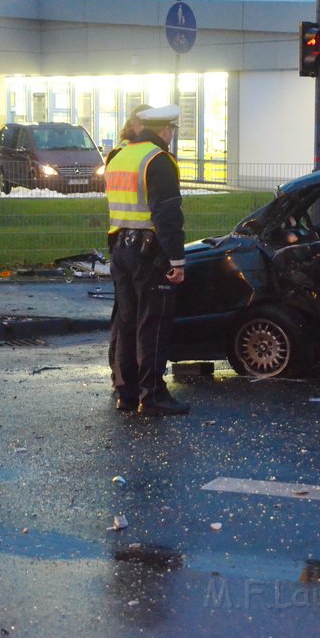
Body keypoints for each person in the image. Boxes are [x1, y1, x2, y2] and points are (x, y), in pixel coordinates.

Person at [106, 104, 190, 415]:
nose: (171, 134)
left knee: (126, 324)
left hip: (120, 247)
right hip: (149, 252)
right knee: (152, 324)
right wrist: (177, 261)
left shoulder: (119, 156)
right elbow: (166, 214)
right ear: (165, 130)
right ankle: (152, 395)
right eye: (171, 129)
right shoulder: (158, 160)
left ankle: (126, 394)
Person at [107, 103, 151, 389]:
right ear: (136, 126)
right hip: (138, 243)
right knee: (136, 317)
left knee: (123, 315)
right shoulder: (137, 156)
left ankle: (122, 377)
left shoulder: (116, 155)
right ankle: (130, 377)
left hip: (117, 239)